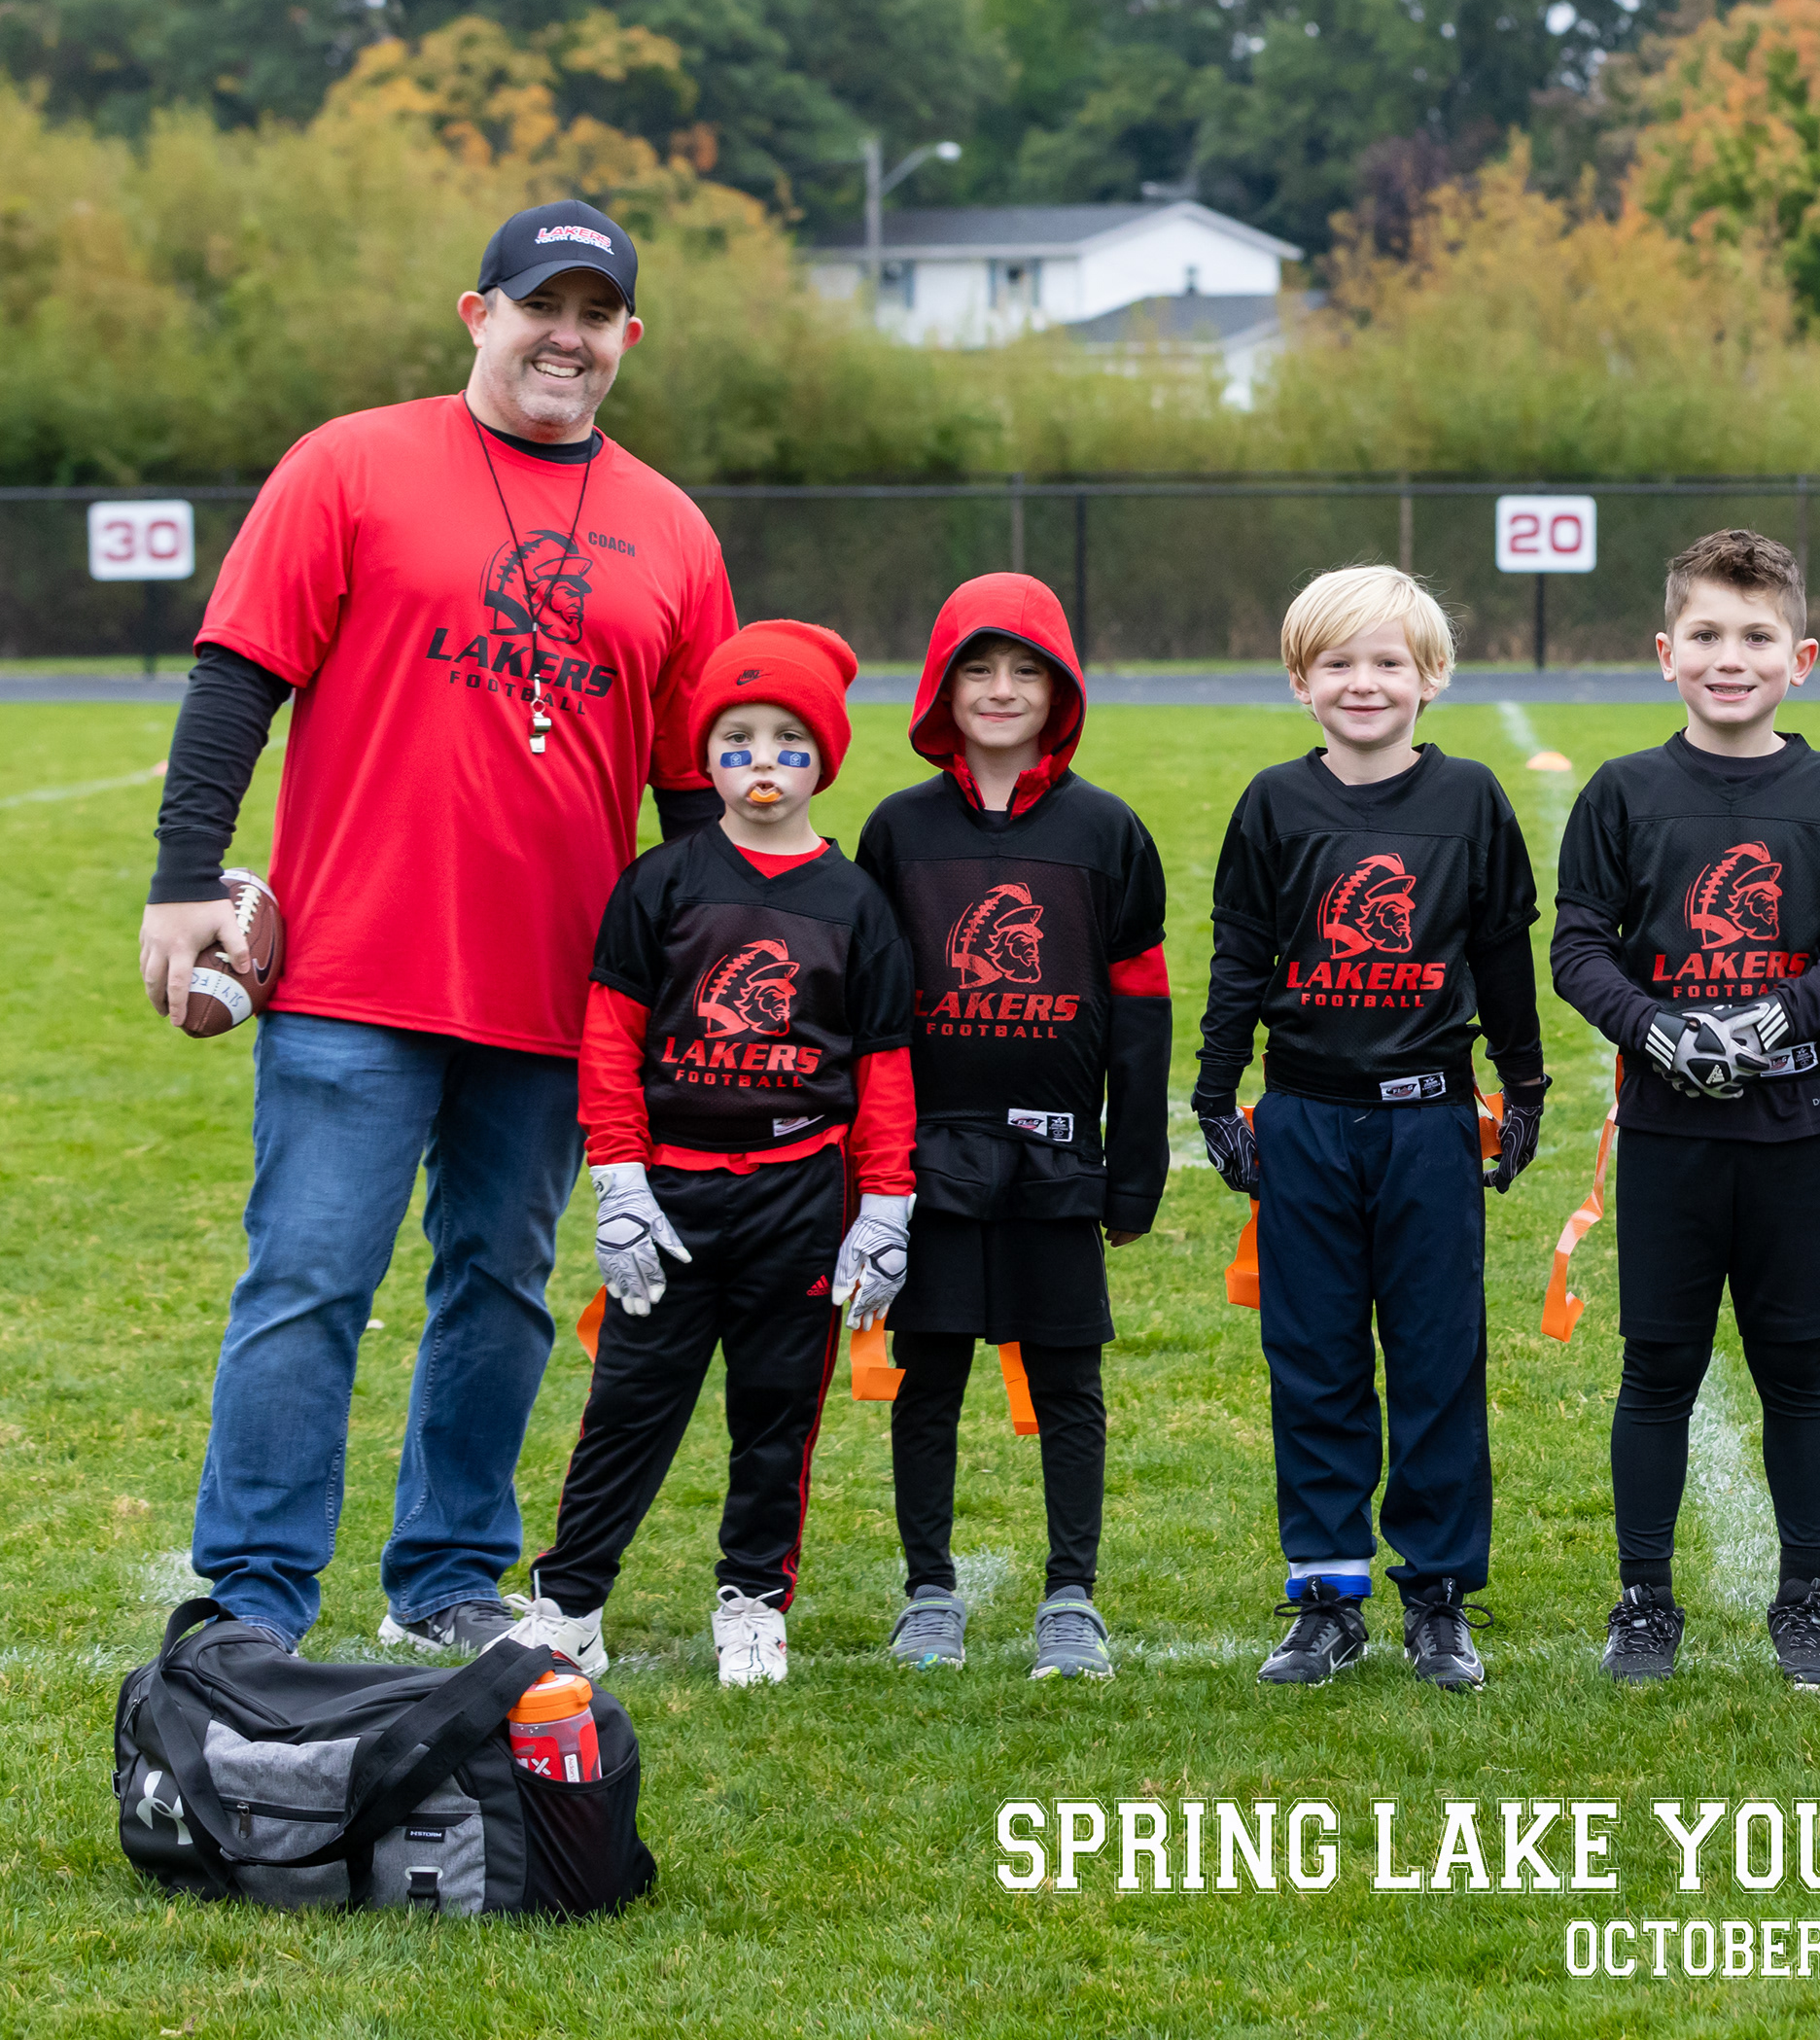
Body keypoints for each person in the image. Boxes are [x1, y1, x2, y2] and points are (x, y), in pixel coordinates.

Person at [136, 199, 738, 1654]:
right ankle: (256, 1594)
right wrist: (182, 873)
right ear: (480, 314)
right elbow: (237, 675)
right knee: (308, 1282)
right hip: (353, 974)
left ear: (630, 336)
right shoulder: (349, 462)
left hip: (560, 992)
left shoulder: (673, 528)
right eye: (542, 305)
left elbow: (695, 791)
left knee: (503, 1288)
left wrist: (705, 978)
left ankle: (451, 1573)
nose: (567, 337)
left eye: (596, 314)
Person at [507, 621, 917, 1689]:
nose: (762, 761)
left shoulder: (857, 902)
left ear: (824, 757)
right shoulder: (662, 881)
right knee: (628, 1405)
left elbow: (883, 1067)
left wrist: (886, 1203)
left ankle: (754, 1600)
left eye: (789, 740)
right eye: (738, 740)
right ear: (705, 756)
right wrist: (619, 1179)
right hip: (671, 1190)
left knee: (777, 1410)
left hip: (800, 1190)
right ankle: (570, 1602)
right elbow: (610, 1039)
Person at [1548, 530, 1820, 1686]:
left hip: (1790, 1130)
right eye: (1705, 634)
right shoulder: (1623, 792)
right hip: (1667, 1134)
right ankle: (1644, 1601)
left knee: (1798, 1370)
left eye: (1755, 636)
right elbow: (1579, 943)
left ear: (1800, 657)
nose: (1729, 657)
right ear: (1666, 652)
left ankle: (1808, 1593)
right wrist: (1651, 1025)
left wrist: (1783, 1016)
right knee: (1658, 1367)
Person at [1192, 567, 1550, 1693]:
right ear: (1301, 680)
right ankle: (1327, 1594)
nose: (1364, 681)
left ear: (1429, 675)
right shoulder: (1273, 803)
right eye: (1337, 662)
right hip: (1304, 1116)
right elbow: (1239, 959)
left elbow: (1501, 956)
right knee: (1315, 1359)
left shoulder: (1471, 798)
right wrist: (1214, 1094)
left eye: (1387, 660)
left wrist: (1525, 1086)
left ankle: (1437, 1593)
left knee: (1438, 1358)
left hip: (1428, 1118)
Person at [851, 576, 1171, 1681]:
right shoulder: (897, 831)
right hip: (929, 1160)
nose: (1000, 689)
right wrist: (870, 1170)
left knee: (1069, 1380)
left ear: (1060, 689)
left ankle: (1070, 1596)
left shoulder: (1106, 830)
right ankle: (928, 1592)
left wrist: (1133, 1170)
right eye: (977, 669)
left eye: (1025, 669)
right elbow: (867, 1016)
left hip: (1057, 1160)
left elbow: (1141, 1017)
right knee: (929, 1373)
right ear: (942, 687)